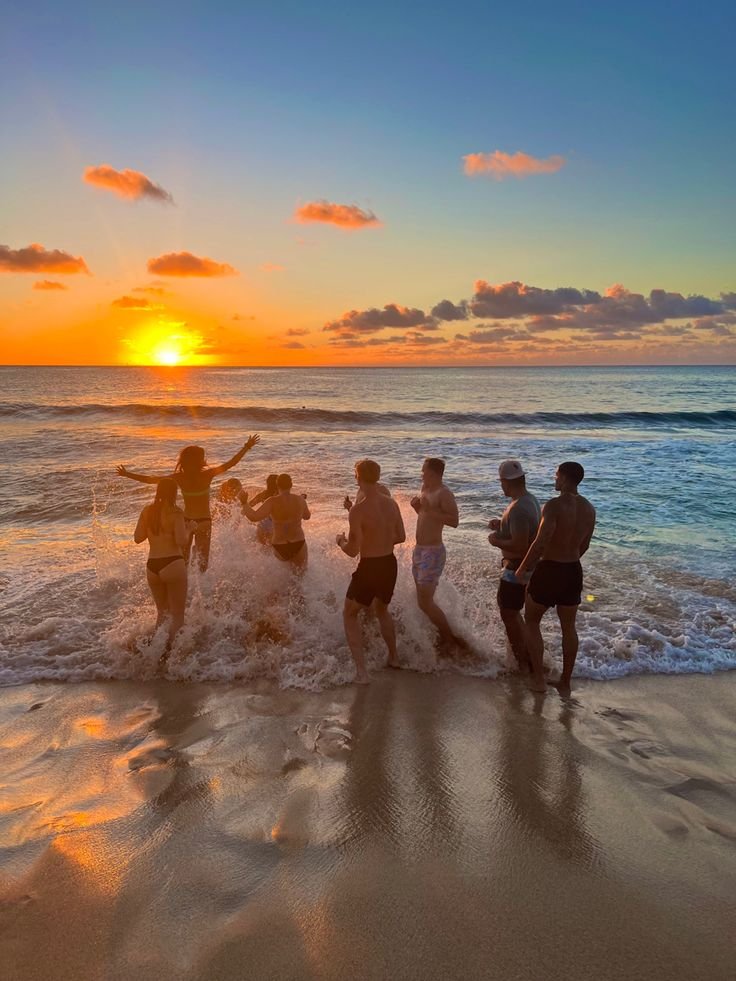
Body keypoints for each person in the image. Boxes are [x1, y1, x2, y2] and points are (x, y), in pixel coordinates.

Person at [116, 435, 260, 571]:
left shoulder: (179, 477)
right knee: (203, 564)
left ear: (184, 461)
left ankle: (185, 590)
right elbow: (231, 463)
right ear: (200, 461)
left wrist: (127, 474)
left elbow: (152, 479)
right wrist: (247, 446)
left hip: (186, 522)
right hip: (204, 522)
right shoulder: (207, 475)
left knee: (182, 562)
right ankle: (201, 591)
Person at [515, 462, 596, 695]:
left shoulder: (554, 505)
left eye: (557, 475)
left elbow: (540, 542)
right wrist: (569, 558)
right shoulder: (589, 508)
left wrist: (523, 569)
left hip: (550, 569)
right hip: (573, 570)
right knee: (568, 627)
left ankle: (539, 680)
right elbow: (585, 545)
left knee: (531, 621)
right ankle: (565, 682)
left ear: (565, 478)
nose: (555, 479)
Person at [336, 459, 406, 683]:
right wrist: (380, 540)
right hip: (389, 564)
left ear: (358, 477)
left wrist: (340, 541)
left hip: (369, 567)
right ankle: (394, 657)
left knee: (349, 613)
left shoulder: (358, 510)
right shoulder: (391, 504)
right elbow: (401, 536)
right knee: (382, 610)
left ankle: (361, 673)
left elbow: (352, 551)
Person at [487, 460, 541, 672]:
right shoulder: (530, 500)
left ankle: (522, 663)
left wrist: (495, 540)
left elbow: (520, 546)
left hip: (516, 568)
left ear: (507, 482)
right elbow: (525, 532)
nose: (501, 486)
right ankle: (528, 657)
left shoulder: (518, 508)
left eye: (501, 482)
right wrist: (501, 525)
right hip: (527, 568)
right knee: (516, 613)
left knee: (508, 614)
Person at [410, 457, 464, 650]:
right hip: (419, 550)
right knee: (422, 600)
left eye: (423, 470)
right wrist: (418, 509)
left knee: (425, 601)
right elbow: (426, 515)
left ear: (433, 473)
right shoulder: (425, 488)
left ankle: (449, 638)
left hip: (433, 552)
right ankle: (441, 635)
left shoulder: (444, 493)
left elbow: (454, 521)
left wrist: (426, 509)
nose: (421, 473)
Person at [133, 477, 189, 660]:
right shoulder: (176, 512)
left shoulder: (147, 511)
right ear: (174, 493)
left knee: (162, 613)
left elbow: (138, 537)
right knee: (178, 614)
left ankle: (155, 654)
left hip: (153, 566)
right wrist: (191, 528)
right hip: (172, 562)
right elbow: (181, 540)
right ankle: (173, 656)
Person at [241, 473, 310, 567]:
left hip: (280, 545)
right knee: (301, 576)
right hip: (298, 542)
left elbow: (254, 517)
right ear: (291, 485)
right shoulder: (300, 500)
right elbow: (307, 516)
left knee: (284, 571)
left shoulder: (271, 501)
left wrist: (244, 502)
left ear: (278, 485)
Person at [248, 474, 279, 543]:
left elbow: (250, 504)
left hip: (262, 525)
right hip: (274, 526)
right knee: (272, 550)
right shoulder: (280, 496)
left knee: (261, 549)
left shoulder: (263, 494)